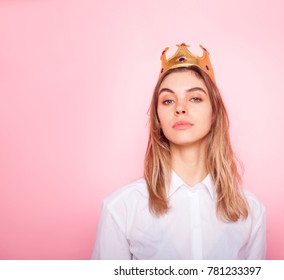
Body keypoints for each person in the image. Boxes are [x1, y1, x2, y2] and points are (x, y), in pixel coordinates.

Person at [91, 43, 266, 259]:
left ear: (214, 112)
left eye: (195, 98)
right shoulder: (120, 209)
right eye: (168, 100)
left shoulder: (251, 211)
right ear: (157, 119)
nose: (180, 108)